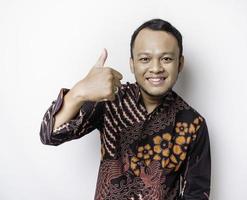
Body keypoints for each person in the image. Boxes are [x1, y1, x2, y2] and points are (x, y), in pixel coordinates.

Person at [39, 18, 211, 200]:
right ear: (132, 64)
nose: (156, 68)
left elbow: (197, 194)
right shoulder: (110, 100)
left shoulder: (193, 124)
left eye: (166, 59)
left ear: (180, 63)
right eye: (145, 59)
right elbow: (49, 135)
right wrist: (79, 92)